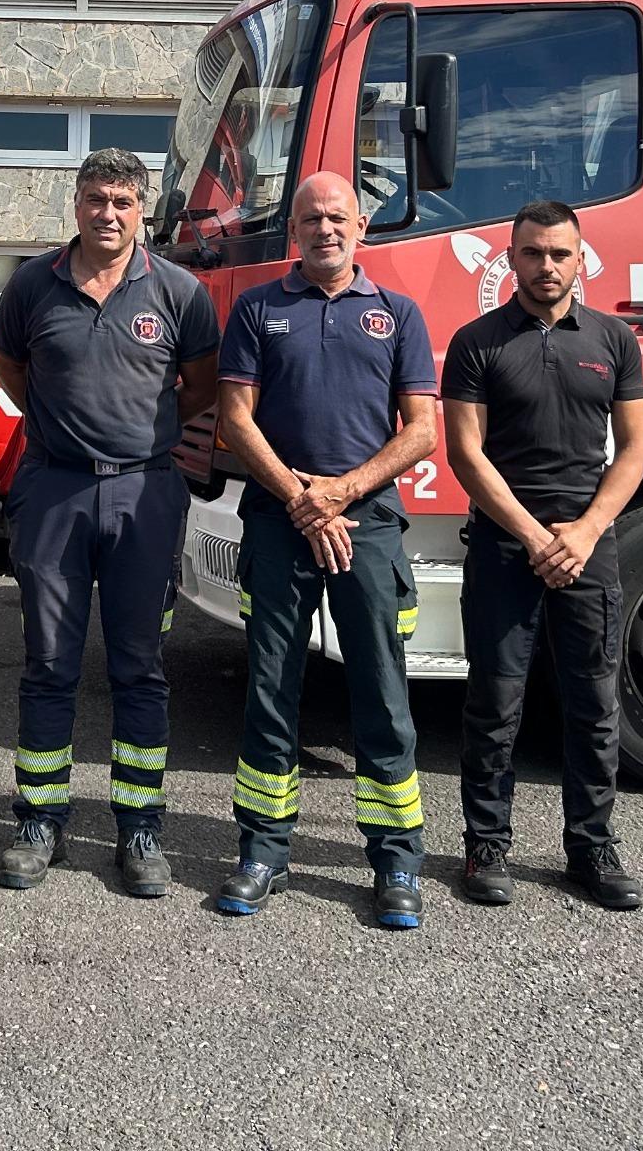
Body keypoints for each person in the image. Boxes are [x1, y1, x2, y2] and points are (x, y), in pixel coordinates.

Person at [0, 148, 218, 897]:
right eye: (96, 199)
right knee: (48, 662)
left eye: (122, 201)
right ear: (77, 204)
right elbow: (13, 370)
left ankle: (139, 826)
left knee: (139, 667)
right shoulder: (33, 284)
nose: (108, 214)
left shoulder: (179, 291)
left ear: (141, 209)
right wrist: (64, 431)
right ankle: (40, 820)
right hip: (53, 491)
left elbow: (199, 386)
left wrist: (140, 438)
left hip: (143, 494)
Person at [212, 171, 438, 929]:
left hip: (366, 524)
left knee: (382, 690)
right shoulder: (257, 309)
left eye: (338, 217)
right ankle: (262, 851)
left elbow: (421, 430)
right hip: (281, 522)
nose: (324, 229)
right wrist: (302, 499)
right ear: (294, 231)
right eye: (310, 219)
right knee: (270, 688)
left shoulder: (398, 314)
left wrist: (340, 493)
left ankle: (396, 859)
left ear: (361, 228)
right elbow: (236, 420)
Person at [442, 198, 643, 912]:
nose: (547, 266)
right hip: (506, 548)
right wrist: (535, 537)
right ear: (511, 258)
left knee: (594, 704)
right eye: (532, 253)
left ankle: (591, 847)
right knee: (494, 704)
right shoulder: (477, 342)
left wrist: (584, 533)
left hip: (588, 548)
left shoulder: (615, 340)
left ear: (580, 259)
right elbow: (466, 454)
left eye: (560, 253)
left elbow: (634, 451)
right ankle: (486, 845)